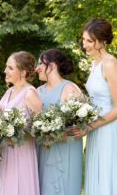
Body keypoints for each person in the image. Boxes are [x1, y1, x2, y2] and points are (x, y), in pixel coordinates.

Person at [72, 18, 117, 195]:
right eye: (84, 40)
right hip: (95, 130)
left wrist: (89, 126)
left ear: (102, 41)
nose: (85, 45)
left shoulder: (110, 64)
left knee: (106, 178)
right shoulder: (94, 63)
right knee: (96, 177)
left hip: (107, 131)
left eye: (90, 41)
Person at [36, 49, 83, 195]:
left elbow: (79, 129)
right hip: (43, 150)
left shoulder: (70, 89)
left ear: (52, 66)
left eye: (40, 64)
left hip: (66, 151)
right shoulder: (37, 91)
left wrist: (55, 137)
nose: (36, 68)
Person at [0, 51, 41, 195]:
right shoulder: (9, 91)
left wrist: (19, 136)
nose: (5, 71)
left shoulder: (30, 93)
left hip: (22, 152)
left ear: (22, 72)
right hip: (5, 151)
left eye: (10, 68)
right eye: (6, 67)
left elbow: (42, 129)